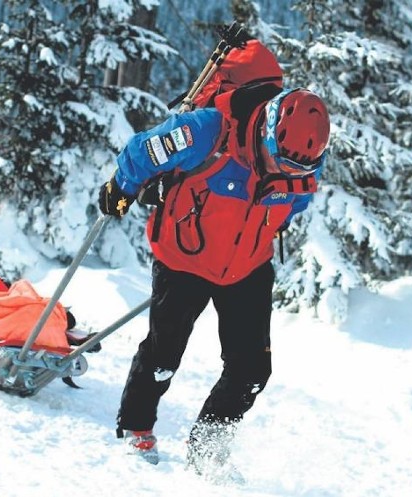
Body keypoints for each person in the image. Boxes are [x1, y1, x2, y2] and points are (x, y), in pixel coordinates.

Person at [97, 84, 330, 479]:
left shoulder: (304, 157)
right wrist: (123, 186)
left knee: (253, 370)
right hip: (184, 257)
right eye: (280, 162)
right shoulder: (209, 131)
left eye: (297, 170)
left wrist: (260, 231)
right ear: (267, 130)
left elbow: (296, 201)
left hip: (248, 266)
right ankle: (136, 429)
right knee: (163, 354)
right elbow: (144, 150)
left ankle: (207, 448)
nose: (285, 172)